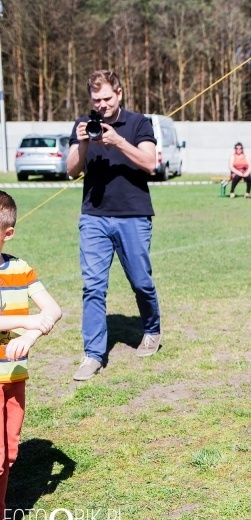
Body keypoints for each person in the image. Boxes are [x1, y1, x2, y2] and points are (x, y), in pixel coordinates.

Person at [67, 69, 163, 381]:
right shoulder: (85, 124)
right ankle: (93, 354)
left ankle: (151, 329)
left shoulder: (138, 123)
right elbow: (71, 170)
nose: (102, 104)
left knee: (141, 282)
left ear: (119, 93)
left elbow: (150, 163)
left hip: (133, 215)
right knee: (93, 286)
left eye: (107, 98)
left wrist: (118, 140)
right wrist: (83, 143)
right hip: (93, 217)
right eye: (96, 100)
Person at [0, 191, 62, 520]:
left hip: (14, 376)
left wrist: (31, 336)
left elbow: (52, 310)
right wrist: (22, 322)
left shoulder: (20, 269)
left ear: (7, 233)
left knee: (8, 453)